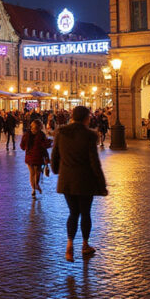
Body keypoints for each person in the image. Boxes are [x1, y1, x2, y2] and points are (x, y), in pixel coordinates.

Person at [52, 106, 108, 261]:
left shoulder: (61, 132)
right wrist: (101, 184)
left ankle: (69, 245)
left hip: (67, 180)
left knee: (73, 213)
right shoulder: (90, 135)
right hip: (85, 180)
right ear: (86, 118)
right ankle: (85, 244)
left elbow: (55, 155)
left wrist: (56, 169)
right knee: (85, 213)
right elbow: (94, 162)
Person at [20, 119, 52, 197]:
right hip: (38, 156)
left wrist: (26, 147)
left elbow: (22, 146)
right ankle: (36, 185)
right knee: (37, 173)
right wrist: (50, 142)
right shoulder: (41, 135)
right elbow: (44, 146)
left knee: (31, 173)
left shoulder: (26, 134)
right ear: (40, 126)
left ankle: (33, 189)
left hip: (29, 156)